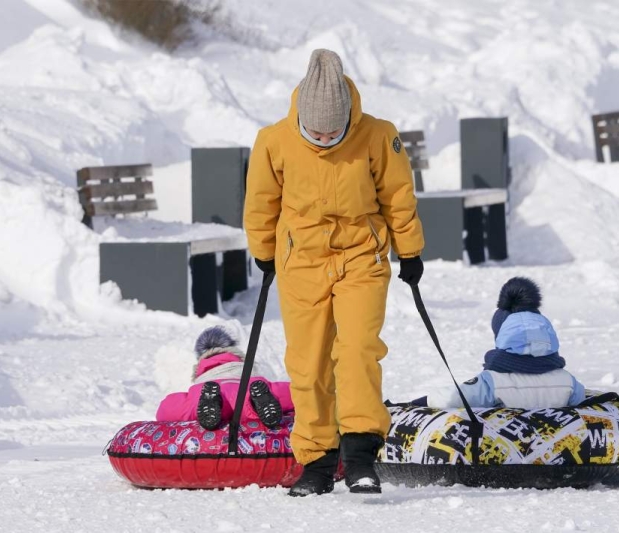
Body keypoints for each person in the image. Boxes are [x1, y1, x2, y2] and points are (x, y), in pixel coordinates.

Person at [244, 49, 424, 496]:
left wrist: (410, 251)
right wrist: (263, 251)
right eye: (315, 130)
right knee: (308, 364)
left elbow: (398, 195)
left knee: (359, 348)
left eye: (334, 130)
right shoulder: (273, 140)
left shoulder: (379, 136)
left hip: (361, 255)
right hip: (301, 260)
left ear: (350, 116)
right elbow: (261, 202)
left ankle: (360, 455)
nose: (324, 138)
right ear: (300, 116)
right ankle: (318, 464)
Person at [418, 277, 586, 410]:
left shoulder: (493, 382)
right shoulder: (568, 381)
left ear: (503, 339)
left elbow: (450, 398)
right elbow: (580, 399)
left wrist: (420, 402)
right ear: (549, 340)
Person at [156, 326, 293, 430]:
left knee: (174, 406)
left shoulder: (203, 374)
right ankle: (254, 403)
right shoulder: (240, 363)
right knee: (287, 393)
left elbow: (161, 413)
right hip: (246, 384)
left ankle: (212, 406)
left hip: (208, 389)